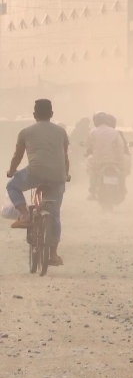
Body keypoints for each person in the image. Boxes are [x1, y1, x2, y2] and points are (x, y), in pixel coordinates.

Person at [6, 99, 69, 266]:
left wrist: (11, 172)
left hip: (34, 174)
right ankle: (53, 254)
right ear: (52, 114)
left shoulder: (25, 132)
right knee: (55, 213)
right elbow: (65, 157)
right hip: (57, 176)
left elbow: (17, 157)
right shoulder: (61, 132)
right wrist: (66, 174)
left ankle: (25, 215)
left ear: (34, 115)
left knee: (12, 186)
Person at [86, 112, 125, 200]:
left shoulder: (92, 132)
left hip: (97, 162)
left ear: (96, 121)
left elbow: (89, 146)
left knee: (91, 170)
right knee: (122, 172)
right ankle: (122, 188)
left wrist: (90, 152)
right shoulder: (114, 132)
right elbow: (120, 146)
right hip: (113, 161)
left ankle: (92, 192)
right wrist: (119, 157)